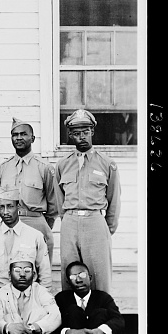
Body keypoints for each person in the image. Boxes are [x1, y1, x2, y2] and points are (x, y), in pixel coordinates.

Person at [54, 109, 121, 292]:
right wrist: (68, 220)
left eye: (85, 132)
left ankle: (101, 309)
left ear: (92, 131)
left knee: (99, 275)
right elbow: (60, 200)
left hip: (95, 222)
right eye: (76, 133)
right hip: (70, 222)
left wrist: (105, 229)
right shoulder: (62, 165)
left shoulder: (107, 164)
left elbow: (114, 200)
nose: (82, 137)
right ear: (70, 135)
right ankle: (72, 309)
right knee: (70, 271)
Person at [0, 118, 58, 258]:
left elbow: (54, 203)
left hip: (35, 221)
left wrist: (43, 224)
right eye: (15, 135)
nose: (19, 138)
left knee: (40, 266)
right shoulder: (3, 168)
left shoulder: (44, 167)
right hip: (9, 224)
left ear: (33, 138)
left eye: (23, 134)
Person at [52, 261, 121, 334]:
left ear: (90, 278)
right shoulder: (62, 299)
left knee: (100, 313)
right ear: (68, 282)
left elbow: (118, 321)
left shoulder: (103, 297)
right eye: (73, 277)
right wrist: (72, 332)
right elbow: (53, 325)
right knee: (73, 310)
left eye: (82, 275)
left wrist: (95, 332)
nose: (78, 280)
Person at [0, 188, 52, 292]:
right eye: (1, 207)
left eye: (10, 206)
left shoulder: (35, 236)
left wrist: (44, 297)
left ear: (18, 207)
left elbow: (45, 274)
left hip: (28, 293)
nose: (5, 212)